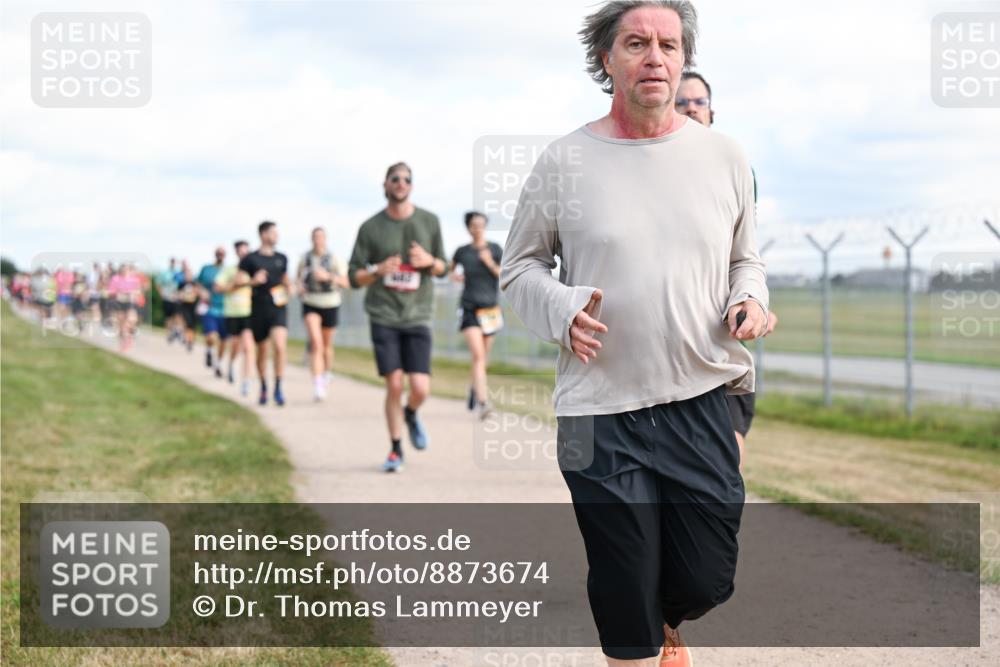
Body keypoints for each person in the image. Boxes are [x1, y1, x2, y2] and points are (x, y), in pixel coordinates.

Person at [500, 2, 769, 665]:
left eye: (669, 45)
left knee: (705, 577)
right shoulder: (565, 160)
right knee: (624, 585)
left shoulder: (724, 156)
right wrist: (561, 307)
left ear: (684, 60)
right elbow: (518, 270)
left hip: (698, 395)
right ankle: (642, 636)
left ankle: (668, 621)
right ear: (607, 60)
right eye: (637, 43)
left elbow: (746, 258)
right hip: (597, 408)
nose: (655, 57)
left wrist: (751, 297)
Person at [677, 70, 779, 467]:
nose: (690, 108)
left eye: (698, 102)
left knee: (729, 447)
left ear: (711, 111)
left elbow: (745, 251)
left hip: (723, 330)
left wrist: (754, 301)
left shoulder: (735, 168)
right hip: (676, 334)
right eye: (681, 102)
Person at [348, 162, 447, 472]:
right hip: (384, 313)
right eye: (395, 179)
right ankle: (394, 449)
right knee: (393, 383)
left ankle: (411, 413)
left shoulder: (429, 221)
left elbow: (443, 266)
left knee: (420, 388)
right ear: (386, 185)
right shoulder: (370, 228)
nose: (401, 183)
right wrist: (378, 270)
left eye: (406, 179)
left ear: (411, 186)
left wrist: (429, 261)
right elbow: (353, 276)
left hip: (418, 313)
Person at [449, 211, 503, 419]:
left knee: (483, 359)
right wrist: (453, 275)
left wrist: (489, 262)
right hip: (469, 308)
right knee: (478, 356)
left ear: (485, 226)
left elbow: (505, 274)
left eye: (481, 224)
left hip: (490, 309)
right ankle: (483, 403)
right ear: (468, 228)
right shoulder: (462, 252)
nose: (477, 228)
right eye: (473, 225)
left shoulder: (495, 249)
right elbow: (449, 268)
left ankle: (474, 390)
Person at [239, 221, 291, 407]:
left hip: (278, 308)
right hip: (258, 309)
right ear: (262, 234)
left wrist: (289, 288)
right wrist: (253, 281)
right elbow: (238, 282)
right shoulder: (250, 259)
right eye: (273, 233)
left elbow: (286, 279)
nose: (277, 236)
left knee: (279, 346)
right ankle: (263, 386)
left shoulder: (282, 258)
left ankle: (278, 386)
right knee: (262, 351)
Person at [297, 227, 350, 401]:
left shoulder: (334, 259)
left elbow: (346, 282)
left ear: (325, 239)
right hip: (311, 302)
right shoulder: (305, 258)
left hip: (330, 303)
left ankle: (327, 371)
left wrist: (328, 277)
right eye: (315, 237)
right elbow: (298, 279)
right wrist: (300, 287)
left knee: (327, 346)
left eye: (320, 237)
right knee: (316, 343)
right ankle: (318, 384)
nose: (317, 240)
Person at [215, 240, 255, 395]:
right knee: (236, 345)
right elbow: (218, 287)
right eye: (241, 252)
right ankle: (232, 363)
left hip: (249, 312)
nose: (244, 254)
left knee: (249, 346)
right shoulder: (230, 270)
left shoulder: (253, 269)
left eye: (246, 252)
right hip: (232, 313)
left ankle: (246, 381)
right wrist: (235, 283)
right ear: (237, 253)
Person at [197, 247, 230, 377]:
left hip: (226, 310)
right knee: (211, 336)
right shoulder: (206, 269)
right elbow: (197, 284)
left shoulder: (228, 271)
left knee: (223, 340)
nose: (220, 256)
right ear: (215, 255)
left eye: (222, 254)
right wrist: (202, 292)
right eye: (218, 254)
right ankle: (210, 350)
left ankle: (218, 364)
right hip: (209, 308)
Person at [157, 258, 183, 343]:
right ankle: (169, 333)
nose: (173, 264)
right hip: (167, 297)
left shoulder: (178, 273)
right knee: (168, 317)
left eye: (174, 262)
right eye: (172, 262)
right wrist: (162, 294)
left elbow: (182, 284)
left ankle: (177, 331)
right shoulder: (165, 273)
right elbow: (158, 284)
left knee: (177, 315)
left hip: (176, 298)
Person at [176, 261, 199, 352]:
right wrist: (181, 296)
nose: (188, 276)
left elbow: (198, 293)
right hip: (184, 306)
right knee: (187, 322)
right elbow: (179, 294)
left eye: (189, 274)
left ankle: (190, 340)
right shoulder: (182, 284)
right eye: (186, 274)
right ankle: (187, 339)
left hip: (193, 306)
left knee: (192, 325)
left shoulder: (195, 284)